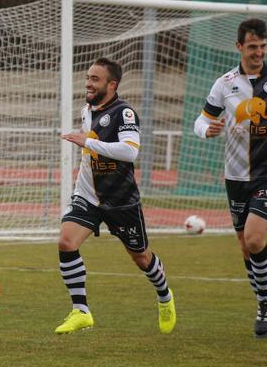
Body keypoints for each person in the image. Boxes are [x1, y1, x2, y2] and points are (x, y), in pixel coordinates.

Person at [193, 18, 267, 338]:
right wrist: (208, 129)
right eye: (252, 47)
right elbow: (201, 121)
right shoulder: (224, 83)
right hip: (235, 176)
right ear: (239, 47)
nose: (258, 52)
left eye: (262, 46)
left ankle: (266, 304)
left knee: (255, 238)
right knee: (245, 247)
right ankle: (266, 303)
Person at [56, 57, 177, 335]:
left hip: (121, 201)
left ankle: (164, 295)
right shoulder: (86, 110)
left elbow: (130, 151)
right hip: (88, 196)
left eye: (95, 79)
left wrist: (86, 141)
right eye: (88, 77)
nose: (88, 82)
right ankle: (81, 311)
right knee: (66, 241)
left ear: (112, 85)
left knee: (142, 259)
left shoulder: (125, 113)